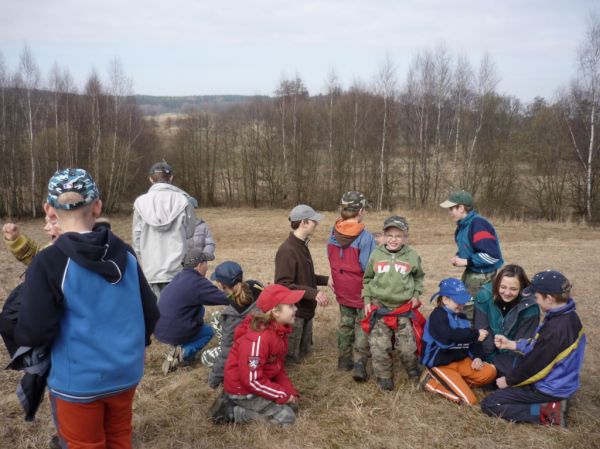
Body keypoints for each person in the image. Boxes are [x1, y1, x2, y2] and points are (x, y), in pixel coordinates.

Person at [14, 168, 159, 449]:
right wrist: (132, 348)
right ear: (97, 207)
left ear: (49, 210)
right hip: (125, 374)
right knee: (119, 437)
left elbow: (33, 330)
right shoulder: (126, 253)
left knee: (84, 444)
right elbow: (150, 310)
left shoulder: (48, 262)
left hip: (77, 382)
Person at [481, 270, 586, 427]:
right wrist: (512, 344)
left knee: (490, 403)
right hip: (559, 379)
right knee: (499, 360)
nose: (536, 301)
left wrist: (509, 381)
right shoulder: (567, 316)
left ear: (549, 299)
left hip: (548, 388)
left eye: (536, 297)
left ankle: (551, 413)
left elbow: (536, 367)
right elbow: (538, 345)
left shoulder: (555, 330)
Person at [209, 284, 302, 426]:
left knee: (292, 405)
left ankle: (234, 403)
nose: (296, 309)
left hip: (257, 382)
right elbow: (252, 381)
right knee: (287, 418)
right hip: (243, 389)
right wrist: (281, 394)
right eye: (291, 306)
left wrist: (289, 391)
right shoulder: (259, 338)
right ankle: (231, 411)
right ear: (275, 312)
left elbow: (277, 368)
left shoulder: (279, 331)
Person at [361, 216, 425, 390]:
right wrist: (367, 299)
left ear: (405, 237)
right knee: (379, 346)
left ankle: (412, 369)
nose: (393, 239)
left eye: (398, 235)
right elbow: (367, 279)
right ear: (383, 235)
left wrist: (417, 294)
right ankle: (384, 376)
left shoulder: (412, 256)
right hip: (380, 307)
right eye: (390, 235)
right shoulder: (376, 254)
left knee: (407, 347)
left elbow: (419, 277)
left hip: (403, 309)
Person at [420, 278, 497, 405]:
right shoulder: (437, 316)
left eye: (463, 301)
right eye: (458, 301)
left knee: (490, 372)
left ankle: (455, 382)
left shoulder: (462, 317)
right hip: (440, 363)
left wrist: (478, 357)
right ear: (445, 300)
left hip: (460, 361)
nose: (462, 305)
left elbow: (472, 341)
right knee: (469, 401)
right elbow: (448, 337)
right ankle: (430, 383)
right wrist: (476, 333)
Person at [154, 248, 229, 374]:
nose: (207, 267)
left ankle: (177, 347)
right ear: (199, 265)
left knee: (199, 309)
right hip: (175, 331)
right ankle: (182, 353)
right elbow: (225, 298)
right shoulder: (197, 282)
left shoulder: (179, 276)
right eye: (206, 263)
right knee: (208, 331)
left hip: (159, 329)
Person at [327, 191, 376, 378]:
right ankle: (359, 364)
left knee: (345, 324)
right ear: (361, 211)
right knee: (362, 325)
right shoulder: (365, 238)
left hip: (341, 288)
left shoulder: (332, 234)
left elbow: (331, 259)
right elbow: (368, 267)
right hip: (360, 290)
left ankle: (343, 359)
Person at [274, 204, 330, 364]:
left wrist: (327, 280)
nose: (317, 224)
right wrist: (314, 293)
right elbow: (284, 284)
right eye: (314, 221)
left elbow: (303, 276)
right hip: (295, 314)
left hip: (306, 311)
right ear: (304, 222)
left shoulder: (301, 245)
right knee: (290, 361)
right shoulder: (287, 250)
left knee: (305, 356)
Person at [133, 161, 197, 296]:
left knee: (157, 311)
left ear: (151, 179)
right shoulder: (183, 200)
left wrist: (144, 259)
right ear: (171, 178)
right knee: (178, 309)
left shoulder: (140, 202)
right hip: (178, 267)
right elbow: (190, 232)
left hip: (152, 268)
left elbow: (137, 239)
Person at [440, 190, 504, 320]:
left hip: (482, 275)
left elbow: (492, 256)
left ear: (461, 208)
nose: (449, 212)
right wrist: (459, 257)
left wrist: (467, 261)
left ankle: (472, 336)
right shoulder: (463, 225)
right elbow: (469, 247)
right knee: (463, 304)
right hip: (472, 272)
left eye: (451, 208)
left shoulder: (478, 224)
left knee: (471, 310)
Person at [473, 264, 540, 377]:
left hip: (512, 354)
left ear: (522, 288)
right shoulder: (484, 295)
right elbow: (482, 329)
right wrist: (489, 360)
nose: (507, 292)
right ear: (497, 284)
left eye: (513, 289)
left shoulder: (531, 306)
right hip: (486, 352)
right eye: (503, 287)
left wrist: (503, 365)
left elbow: (523, 340)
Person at [206, 261, 263, 388]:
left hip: (251, 356)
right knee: (216, 316)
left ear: (221, 285)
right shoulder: (256, 286)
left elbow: (227, 352)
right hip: (263, 343)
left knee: (206, 357)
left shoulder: (232, 315)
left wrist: (213, 381)